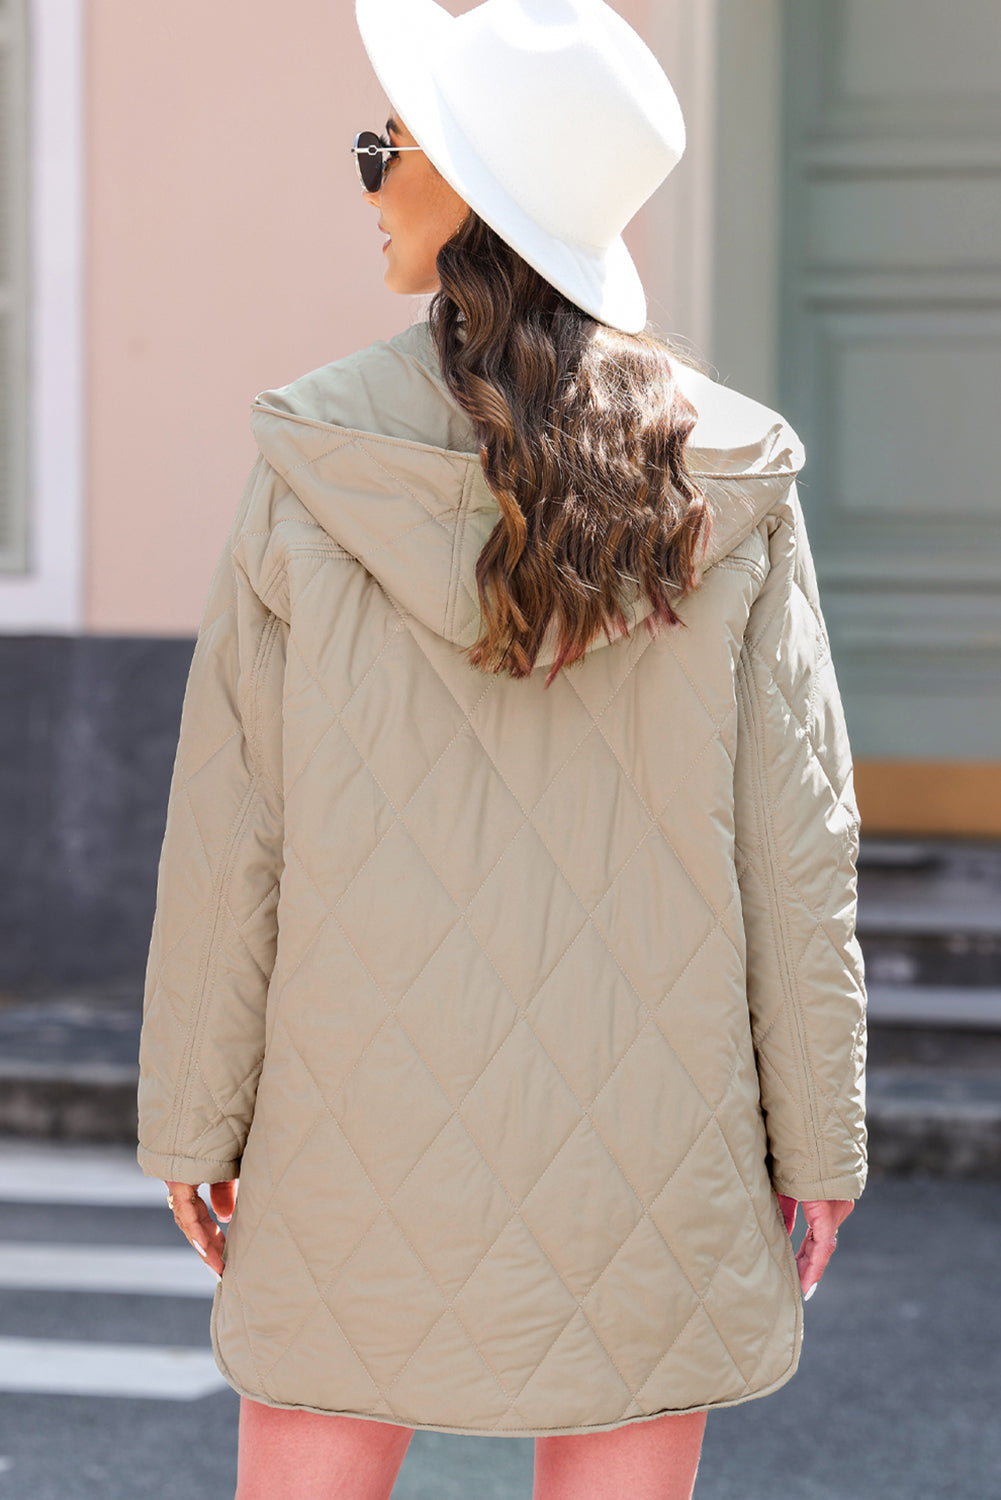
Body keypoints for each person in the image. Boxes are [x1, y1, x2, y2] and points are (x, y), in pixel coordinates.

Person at [136, 2, 867, 1496]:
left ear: (464, 184)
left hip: (356, 1127)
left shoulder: (313, 467)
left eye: (378, 149)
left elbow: (233, 829)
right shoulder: (727, 485)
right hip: (652, 1130)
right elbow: (798, 843)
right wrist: (816, 1139)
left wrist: (190, 1116)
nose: (362, 179)